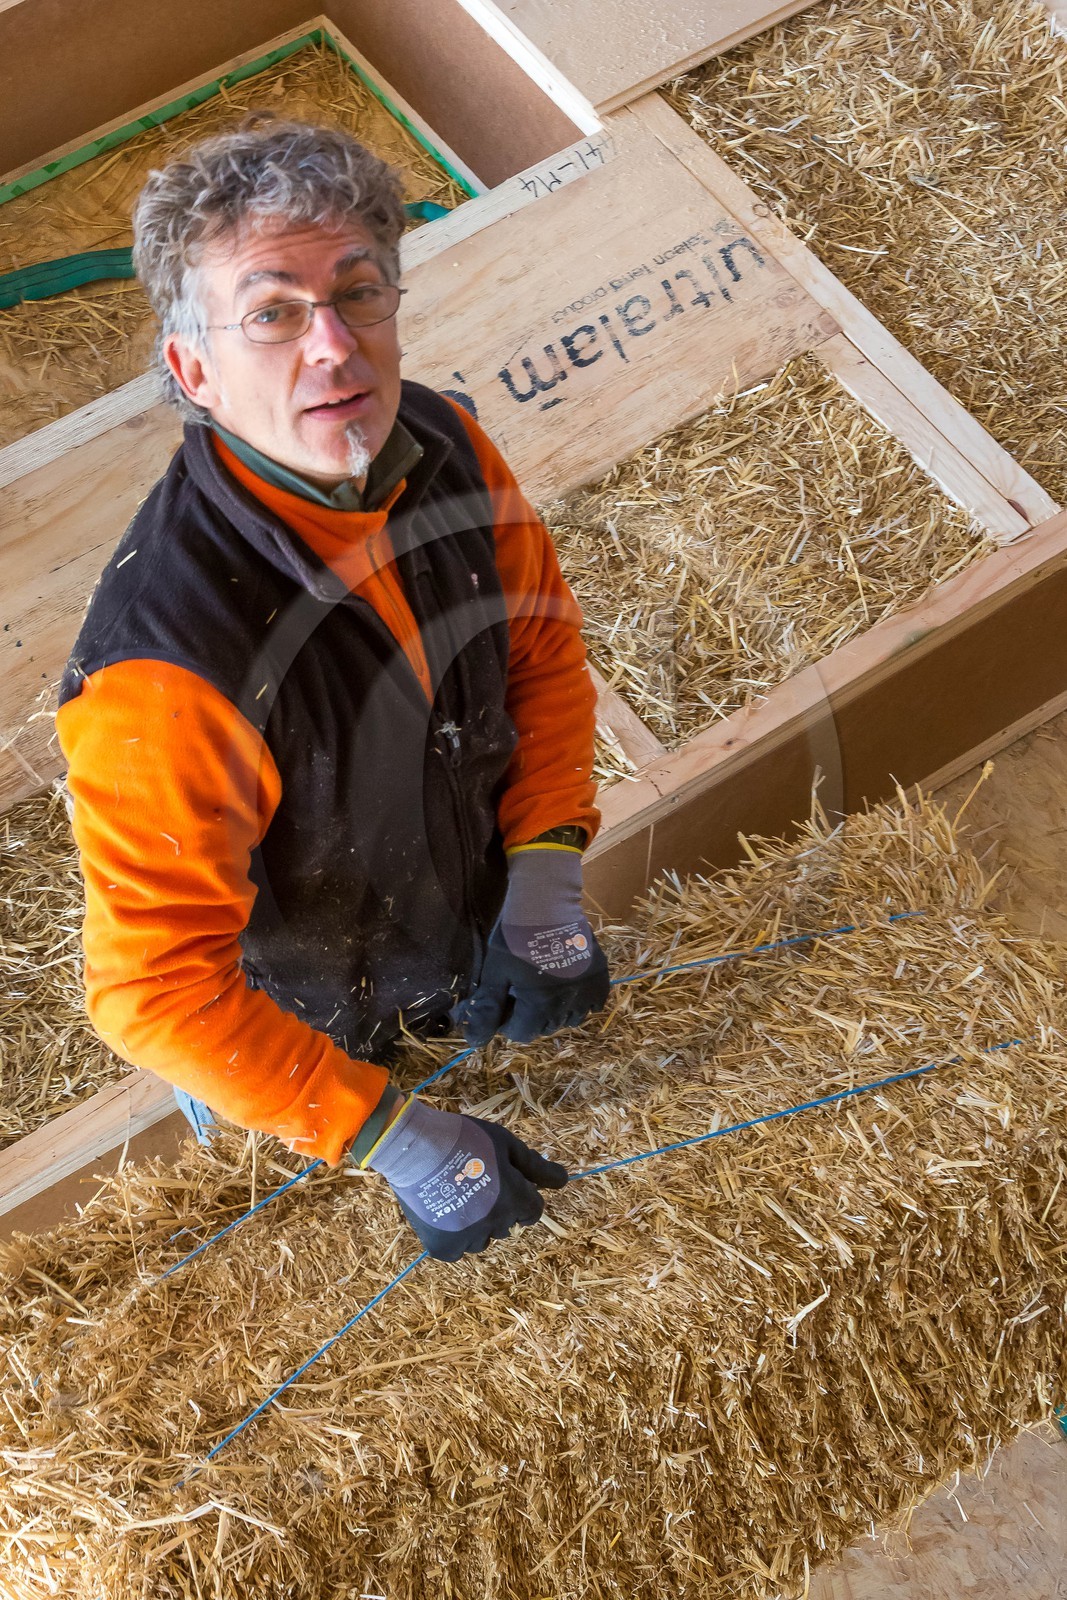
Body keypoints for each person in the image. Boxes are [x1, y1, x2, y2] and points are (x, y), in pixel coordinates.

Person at [56, 119, 610, 1264]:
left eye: (359, 293)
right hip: (295, 1038)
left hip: (465, 942)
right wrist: (395, 1137)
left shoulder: (446, 444)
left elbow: (541, 653)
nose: (334, 348)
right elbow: (157, 990)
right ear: (189, 369)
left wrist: (545, 877)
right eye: (272, 312)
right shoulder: (168, 670)